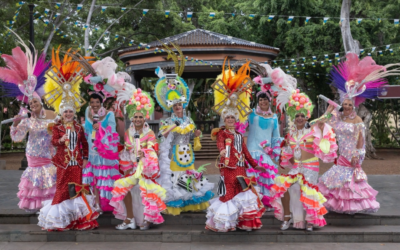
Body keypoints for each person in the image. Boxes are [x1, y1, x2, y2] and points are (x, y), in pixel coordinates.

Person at [268, 68, 338, 231]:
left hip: (311, 166)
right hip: (296, 167)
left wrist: (329, 110)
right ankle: (287, 219)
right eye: (297, 116)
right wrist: (292, 161)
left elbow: (324, 119)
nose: (299, 118)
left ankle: (310, 221)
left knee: (307, 191)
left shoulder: (312, 129)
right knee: (285, 187)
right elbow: (287, 154)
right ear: (294, 117)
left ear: (307, 116)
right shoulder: (291, 134)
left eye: (302, 116)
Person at [38, 48, 98, 231]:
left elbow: (84, 144)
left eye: (71, 111)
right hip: (63, 164)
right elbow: (54, 142)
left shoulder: (79, 128)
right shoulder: (57, 127)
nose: (69, 114)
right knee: (63, 190)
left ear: (74, 112)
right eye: (66, 111)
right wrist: (61, 139)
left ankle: (78, 220)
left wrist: (85, 158)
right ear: (62, 113)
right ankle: (59, 221)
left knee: (77, 191)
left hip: (76, 163)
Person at [318, 53, 384, 214]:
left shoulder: (357, 121)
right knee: (338, 178)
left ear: (353, 105)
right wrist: (328, 111)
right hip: (342, 154)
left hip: (353, 153)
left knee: (350, 179)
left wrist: (356, 154)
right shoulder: (338, 119)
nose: (346, 106)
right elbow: (322, 123)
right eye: (344, 104)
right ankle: (341, 205)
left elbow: (360, 139)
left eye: (349, 104)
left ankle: (354, 206)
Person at [205, 59, 266, 232]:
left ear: (236, 119)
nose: (230, 120)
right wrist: (223, 150)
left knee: (242, 194)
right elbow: (219, 144)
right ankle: (225, 223)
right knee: (228, 194)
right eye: (228, 118)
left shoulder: (239, 135)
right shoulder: (222, 133)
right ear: (225, 119)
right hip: (227, 167)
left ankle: (241, 222)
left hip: (240, 168)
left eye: (233, 118)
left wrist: (255, 165)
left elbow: (245, 152)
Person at [154, 46, 214, 215]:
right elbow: (162, 135)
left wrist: (197, 135)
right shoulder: (167, 121)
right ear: (172, 107)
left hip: (187, 153)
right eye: (175, 106)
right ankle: (178, 203)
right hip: (174, 154)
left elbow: (194, 134)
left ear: (183, 105)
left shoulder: (188, 120)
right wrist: (173, 126)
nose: (178, 108)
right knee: (177, 177)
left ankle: (189, 203)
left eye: (180, 105)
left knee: (188, 176)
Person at [0, 41, 57, 212]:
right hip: (33, 155)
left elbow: (58, 132)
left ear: (40, 103)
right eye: (31, 103)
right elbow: (17, 137)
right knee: (35, 180)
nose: (33, 105)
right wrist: (15, 125)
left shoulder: (50, 118)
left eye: (35, 102)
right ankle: (37, 206)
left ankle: (48, 209)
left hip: (48, 155)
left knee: (49, 180)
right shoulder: (26, 120)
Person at [110, 87, 166, 230]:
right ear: (132, 118)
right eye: (135, 117)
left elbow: (155, 148)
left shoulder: (150, 133)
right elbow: (127, 147)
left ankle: (147, 219)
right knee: (125, 188)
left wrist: (145, 153)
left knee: (145, 191)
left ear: (145, 117)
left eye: (140, 117)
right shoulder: (129, 132)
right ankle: (130, 219)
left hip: (146, 168)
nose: (138, 119)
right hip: (131, 167)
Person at [247, 75, 282, 209]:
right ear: (258, 101)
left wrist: (276, 153)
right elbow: (241, 124)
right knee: (252, 176)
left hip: (265, 152)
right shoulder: (251, 114)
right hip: (251, 150)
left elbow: (276, 136)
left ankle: (265, 201)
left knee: (266, 176)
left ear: (269, 101)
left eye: (265, 99)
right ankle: (252, 202)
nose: (263, 102)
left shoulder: (274, 117)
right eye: (260, 100)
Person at [82, 92, 121, 213]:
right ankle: (95, 203)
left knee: (102, 178)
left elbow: (113, 131)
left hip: (103, 150)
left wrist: (101, 129)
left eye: (97, 102)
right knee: (92, 177)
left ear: (101, 103)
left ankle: (106, 203)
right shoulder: (88, 112)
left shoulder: (109, 114)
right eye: (92, 102)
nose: (94, 105)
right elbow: (87, 132)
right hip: (90, 149)